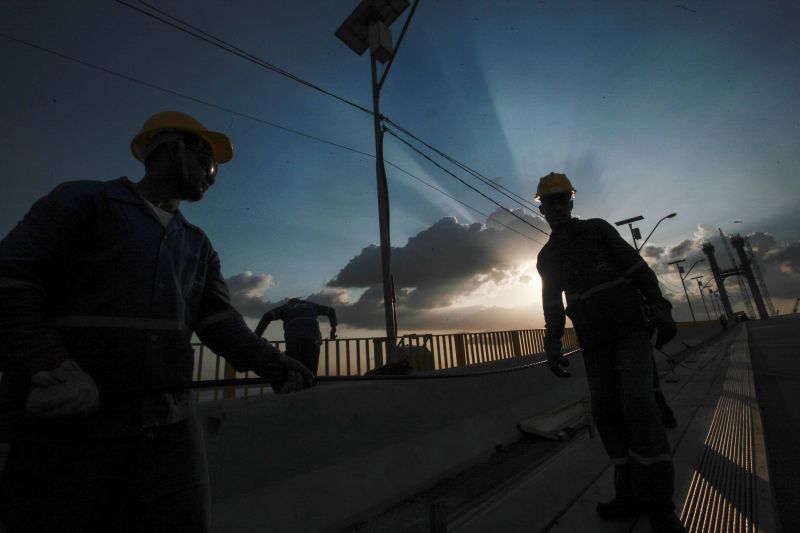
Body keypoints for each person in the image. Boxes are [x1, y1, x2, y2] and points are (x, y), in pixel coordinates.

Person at [0, 111, 314, 533]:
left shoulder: (197, 243)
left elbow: (218, 320)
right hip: (69, 439)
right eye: (209, 161)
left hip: (169, 432)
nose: (213, 176)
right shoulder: (83, 202)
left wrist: (272, 363)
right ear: (171, 149)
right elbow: (11, 281)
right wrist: (49, 365)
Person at [535, 172, 685, 533]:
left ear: (570, 202)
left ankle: (660, 505)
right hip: (594, 343)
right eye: (549, 202)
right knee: (606, 411)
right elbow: (552, 305)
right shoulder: (548, 257)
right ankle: (629, 492)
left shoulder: (599, 231)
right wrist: (552, 344)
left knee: (637, 401)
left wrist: (659, 306)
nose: (556, 207)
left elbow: (637, 269)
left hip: (629, 332)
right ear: (542, 210)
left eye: (561, 200)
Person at [254, 298, 337, 376]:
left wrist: (256, 337)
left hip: (294, 341)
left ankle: (296, 385)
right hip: (313, 341)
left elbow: (268, 316)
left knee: (294, 370)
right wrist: (333, 331)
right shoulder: (312, 305)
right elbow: (331, 311)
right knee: (311, 373)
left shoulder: (286, 308)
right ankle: (310, 384)